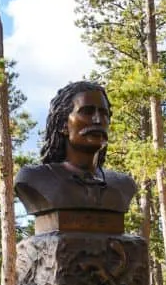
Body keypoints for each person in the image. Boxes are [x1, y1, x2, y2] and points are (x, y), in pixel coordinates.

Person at [14, 81, 136, 216]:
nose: (98, 120)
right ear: (63, 125)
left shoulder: (123, 184)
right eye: (87, 112)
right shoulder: (35, 178)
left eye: (103, 113)